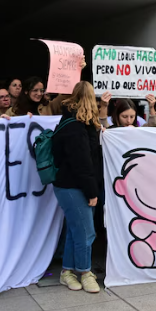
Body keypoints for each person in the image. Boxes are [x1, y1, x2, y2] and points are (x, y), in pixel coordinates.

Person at [51, 81, 102, 294]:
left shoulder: (72, 121)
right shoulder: (76, 127)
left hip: (69, 185)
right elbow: (82, 163)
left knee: (75, 230)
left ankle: (67, 272)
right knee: (86, 233)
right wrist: (92, 192)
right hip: (74, 186)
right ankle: (85, 272)